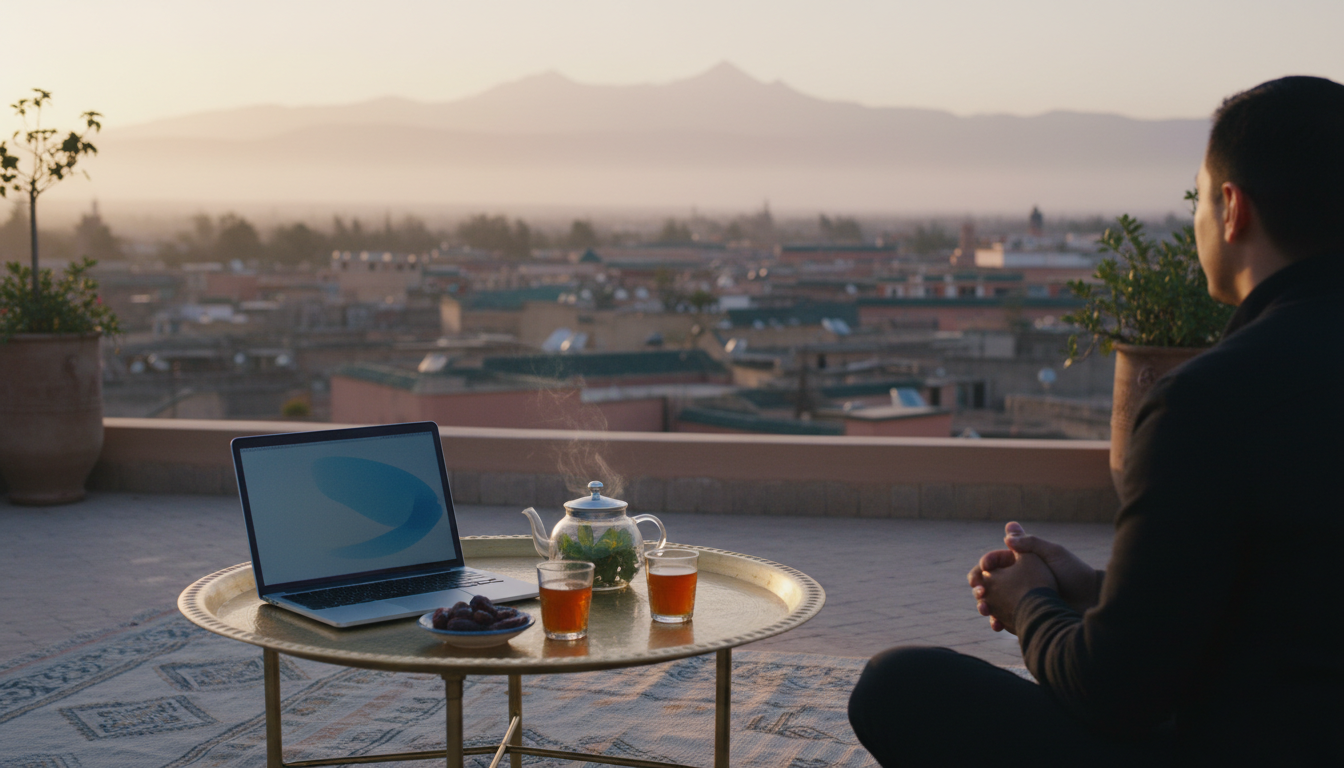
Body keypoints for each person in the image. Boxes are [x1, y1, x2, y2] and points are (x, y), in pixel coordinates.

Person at [848, 76, 1344, 767]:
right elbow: (1286, 595)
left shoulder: (1209, 402)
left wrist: (1029, 605)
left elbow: (1114, 692)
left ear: (1232, 209)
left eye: (1200, 198)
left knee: (900, 687)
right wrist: (1096, 591)